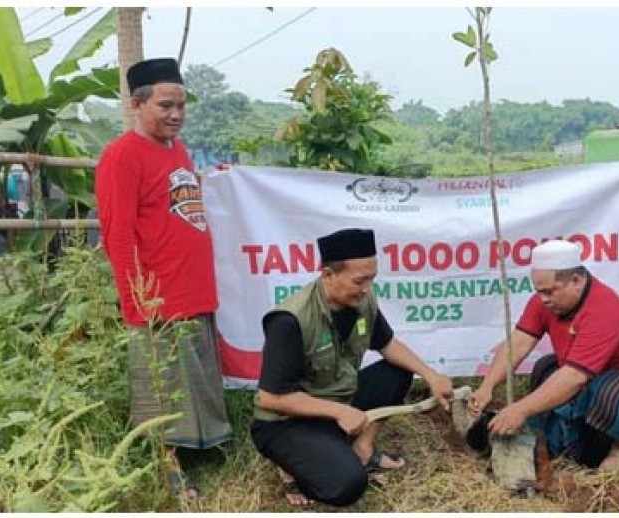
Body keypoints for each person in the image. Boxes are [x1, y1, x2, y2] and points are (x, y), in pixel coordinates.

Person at [95, 58, 232, 498]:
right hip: (156, 296)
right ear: (137, 104)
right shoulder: (120, 157)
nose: (176, 114)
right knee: (162, 385)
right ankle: (167, 465)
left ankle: (202, 446)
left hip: (193, 287)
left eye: (181, 105)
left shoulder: (178, 148)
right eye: (165, 105)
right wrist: (137, 303)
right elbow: (119, 235)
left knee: (197, 376)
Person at [251, 228, 455, 507]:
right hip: (288, 422)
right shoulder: (289, 320)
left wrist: (431, 376)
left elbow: (388, 343)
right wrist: (338, 411)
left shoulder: (362, 300)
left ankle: (362, 446)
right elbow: (270, 398)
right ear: (327, 274)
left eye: (371, 279)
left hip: (338, 403)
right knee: (348, 484)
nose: (367, 288)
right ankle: (291, 467)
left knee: (397, 371)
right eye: (360, 281)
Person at [468, 240, 619, 470]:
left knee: (610, 394)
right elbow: (518, 343)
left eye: (550, 291)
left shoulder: (603, 311)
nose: (543, 299)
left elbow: (574, 377)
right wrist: (488, 385)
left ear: (576, 281)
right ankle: (542, 438)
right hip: (601, 369)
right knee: (545, 368)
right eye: (539, 291)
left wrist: (520, 409)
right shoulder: (545, 299)